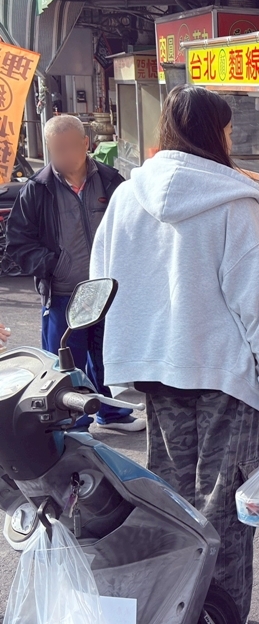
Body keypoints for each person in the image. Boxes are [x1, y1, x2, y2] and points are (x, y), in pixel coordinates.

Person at [90, 85, 259, 621]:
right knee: (225, 509)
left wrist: (121, 356)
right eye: (227, 129)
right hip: (225, 377)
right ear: (214, 133)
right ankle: (221, 614)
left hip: (157, 370)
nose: (231, 138)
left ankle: (175, 611)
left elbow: (101, 281)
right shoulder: (234, 202)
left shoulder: (126, 196)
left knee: (171, 503)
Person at [6, 114, 141, 432]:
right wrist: (53, 265)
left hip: (106, 292)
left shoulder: (111, 181)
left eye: (70, 147)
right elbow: (18, 242)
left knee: (106, 355)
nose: (64, 155)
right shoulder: (37, 190)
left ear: (86, 144)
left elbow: (133, 230)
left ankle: (111, 413)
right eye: (56, 149)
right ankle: (73, 425)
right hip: (64, 291)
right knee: (65, 362)